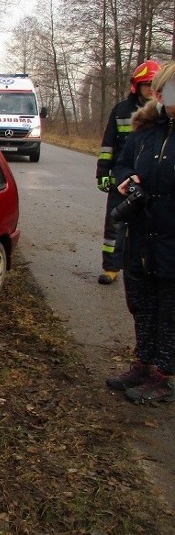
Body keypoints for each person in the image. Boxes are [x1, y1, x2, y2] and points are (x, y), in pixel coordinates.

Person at [107, 60, 175, 403]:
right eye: (161, 90)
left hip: (170, 239)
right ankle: (143, 363)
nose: (163, 95)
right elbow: (121, 163)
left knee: (169, 309)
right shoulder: (145, 131)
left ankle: (165, 376)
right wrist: (125, 179)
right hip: (141, 235)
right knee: (142, 303)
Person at [96, 60, 159, 285]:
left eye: (155, 84)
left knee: (151, 226)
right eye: (146, 84)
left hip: (150, 182)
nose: (151, 89)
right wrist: (103, 172)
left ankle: (147, 267)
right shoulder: (121, 110)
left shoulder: (164, 114)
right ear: (136, 86)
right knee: (114, 224)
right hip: (121, 179)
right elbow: (108, 144)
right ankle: (111, 267)